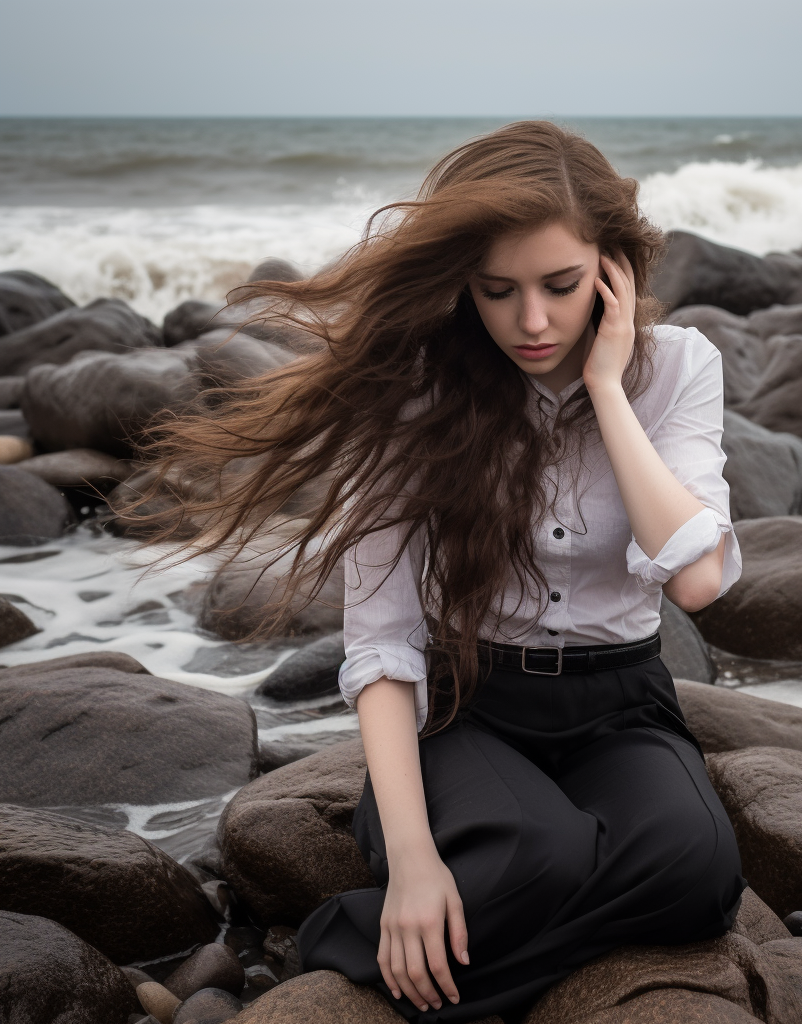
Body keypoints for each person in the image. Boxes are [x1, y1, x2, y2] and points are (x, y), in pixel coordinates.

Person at [146, 121, 745, 1023]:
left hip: (621, 703)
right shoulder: (418, 391)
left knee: (700, 870)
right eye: (498, 290)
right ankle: (425, 916)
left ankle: (358, 946)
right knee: (540, 855)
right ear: (464, 282)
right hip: (471, 706)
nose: (532, 321)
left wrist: (612, 391)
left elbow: (696, 581)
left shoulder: (679, 370)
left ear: (614, 272)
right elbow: (383, 641)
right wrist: (417, 861)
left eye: (561, 285)